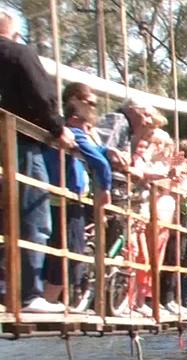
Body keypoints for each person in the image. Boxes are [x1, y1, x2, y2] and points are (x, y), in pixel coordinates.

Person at [0, 10, 76, 312]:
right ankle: (29, 294)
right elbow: (41, 97)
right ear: (12, 31)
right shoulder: (18, 53)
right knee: (32, 217)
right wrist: (58, 129)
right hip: (19, 144)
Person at [41, 83, 112, 310]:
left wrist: (107, 151)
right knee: (70, 254)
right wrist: (105, 189)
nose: (93, 107)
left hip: (66, 200)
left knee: (65, 253)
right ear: (74, 101)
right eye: (89, 102)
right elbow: (99, 162)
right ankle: (48, 301)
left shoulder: (73, 132)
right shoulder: (70, 130)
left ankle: (48, 300)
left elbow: (97, 154)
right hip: (64, 200)